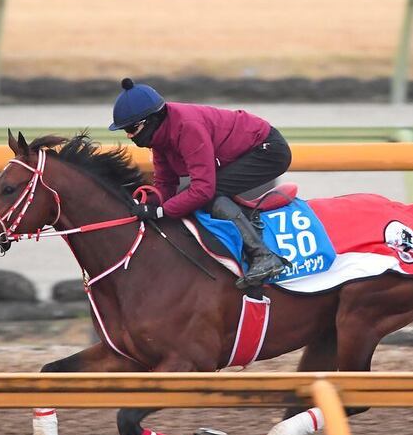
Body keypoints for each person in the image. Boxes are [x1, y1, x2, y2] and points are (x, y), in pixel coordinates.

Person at [109, 78, 291, 288]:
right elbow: (166, 183)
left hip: (267, 151)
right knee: (189, 197)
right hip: (243, 151)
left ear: (151, 120)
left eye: (132, 129)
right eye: (125, 131)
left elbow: (203, 189)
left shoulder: (188, 127)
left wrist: (161, 212)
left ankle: (264, 256)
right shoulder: (159, 137)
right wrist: (149, 205)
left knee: (208, 194)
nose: (130, 136)